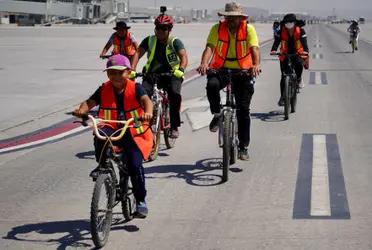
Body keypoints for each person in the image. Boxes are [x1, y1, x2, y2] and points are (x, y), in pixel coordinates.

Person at [74, 54, 153, 218]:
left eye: (120, 72)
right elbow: (90, 102)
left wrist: (148, 113)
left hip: (133, 131)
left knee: (134, 165)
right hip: (112, 128)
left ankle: (140, 201)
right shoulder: (104, 88)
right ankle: (102, 166)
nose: (116, 76)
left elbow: (146, 101)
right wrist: (82, 110)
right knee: (99, 134)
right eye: (112, 72)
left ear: (128, 72)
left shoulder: (135, 87)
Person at [197, 2, 261, 161]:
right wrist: (204, 63)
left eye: (234, 18)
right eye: (228, 18)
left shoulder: (248, 29)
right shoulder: (217, 28)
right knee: (211, 85)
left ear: (240, 18)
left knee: (243, 110)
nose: (231, 21)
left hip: (243, 71)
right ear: (224, 17)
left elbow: (254, 49)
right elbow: (209, 47)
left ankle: (243, 146)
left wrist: (256, 65)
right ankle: (217, 114)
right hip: (221, 69)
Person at [131, 10, 188, 139]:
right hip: (152, 74)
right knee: (141, 94)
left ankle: (174, 126)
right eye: (158, 28)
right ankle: (141, 121)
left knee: (175, 94)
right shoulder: (150, 40)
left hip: (172, 74)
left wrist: (181, 70)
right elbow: (138, 53)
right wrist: (132, 70)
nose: (160, 31)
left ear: (169, 29)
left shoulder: (175, 41)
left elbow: (183, 57)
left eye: (164, 28)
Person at [270, 13, 309, 106]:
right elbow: (276, 42)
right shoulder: (281, 32)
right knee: (283, 76)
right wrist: (273, 50)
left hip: (297, 52)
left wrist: (306, 51)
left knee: (299, 65)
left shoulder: (301, 31)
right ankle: (282, 97)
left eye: (291, 22)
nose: (289, 24)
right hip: (285, 54)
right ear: (284, 24)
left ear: (295, 23)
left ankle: (299, 79)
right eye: (287, 23)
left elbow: (304, 43)